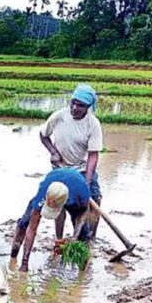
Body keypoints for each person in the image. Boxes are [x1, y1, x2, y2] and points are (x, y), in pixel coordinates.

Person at [39, 84, 103, 238]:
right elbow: (43, 135)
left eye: (80, 105)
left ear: (88, 107)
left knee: (95, 199)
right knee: (57, 203)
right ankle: (59, 239)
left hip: (81, 168)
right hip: (60, 168)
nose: (75, 107)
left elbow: (93, 155)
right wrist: (53, 152)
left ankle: (89, 237)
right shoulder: (59, 116)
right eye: (73, 102)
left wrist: (87, 181)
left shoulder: (93, 124)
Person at [10, 168, 92, 272]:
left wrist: (74, 237)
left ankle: (83, 274)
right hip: (54, 182)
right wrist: (24, 263)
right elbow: (32, 228)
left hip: (75, 188)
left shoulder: (81, 193)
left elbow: (84, 212)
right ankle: (13, 257)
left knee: (84, 237)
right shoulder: (44, 192)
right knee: (24, 223)